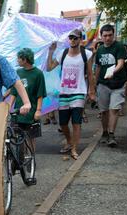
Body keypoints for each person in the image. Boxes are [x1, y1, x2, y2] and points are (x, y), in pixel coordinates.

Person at [47, 29, 95, 160]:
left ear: (80, 39)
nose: (73, 40)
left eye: (75, 38)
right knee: (63, 123)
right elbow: (49, 67)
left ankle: (74, 149)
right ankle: (69, 142)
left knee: (76, 122)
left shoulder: (87, 54)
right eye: (71, 38)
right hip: (64, 92)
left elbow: (90, 74)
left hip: (79, 92)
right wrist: (51, 51)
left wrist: (92, 91)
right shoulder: (62, 54)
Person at [9, 48, 46, 159]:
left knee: (31, 137)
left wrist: (38, 110)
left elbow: (40, 93)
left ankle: (31, 157)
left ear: (25, 59)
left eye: (19, 58)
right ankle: (21, 157)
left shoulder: (38, 74)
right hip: (18, 111)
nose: (17, 60)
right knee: (17, 135)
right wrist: (9, 106)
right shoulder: (18, 72)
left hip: (31, 111)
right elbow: (14, 92)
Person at [95, 24, 127, 147]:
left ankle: (112, 135)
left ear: (113, 35)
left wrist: (113, 71)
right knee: (104, 111)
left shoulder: (119, 47)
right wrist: (95, 83)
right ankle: (104, 133)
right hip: (103, 85)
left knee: (114, 109)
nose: (108, 38)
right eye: (105, 36)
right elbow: (98, 67)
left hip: (118, 84)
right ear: (101, 36)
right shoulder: (100, 50)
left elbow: (120, 63)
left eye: (110, 35)